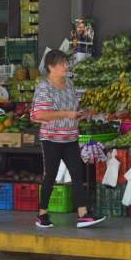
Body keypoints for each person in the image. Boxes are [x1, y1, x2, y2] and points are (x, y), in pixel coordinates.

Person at [30, 50, 105, 229]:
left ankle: (83, 214)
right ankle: (42, 214)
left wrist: (84, 113)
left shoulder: (70, 84)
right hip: (51, 139)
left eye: (66, 63)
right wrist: (66, 114)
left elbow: (73, 110)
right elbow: (39, 114)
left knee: (77, 174)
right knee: (51, 176)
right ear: (51, 67)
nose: (66, 66)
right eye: (62, 64)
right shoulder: (44, 87)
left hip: (71, 137)